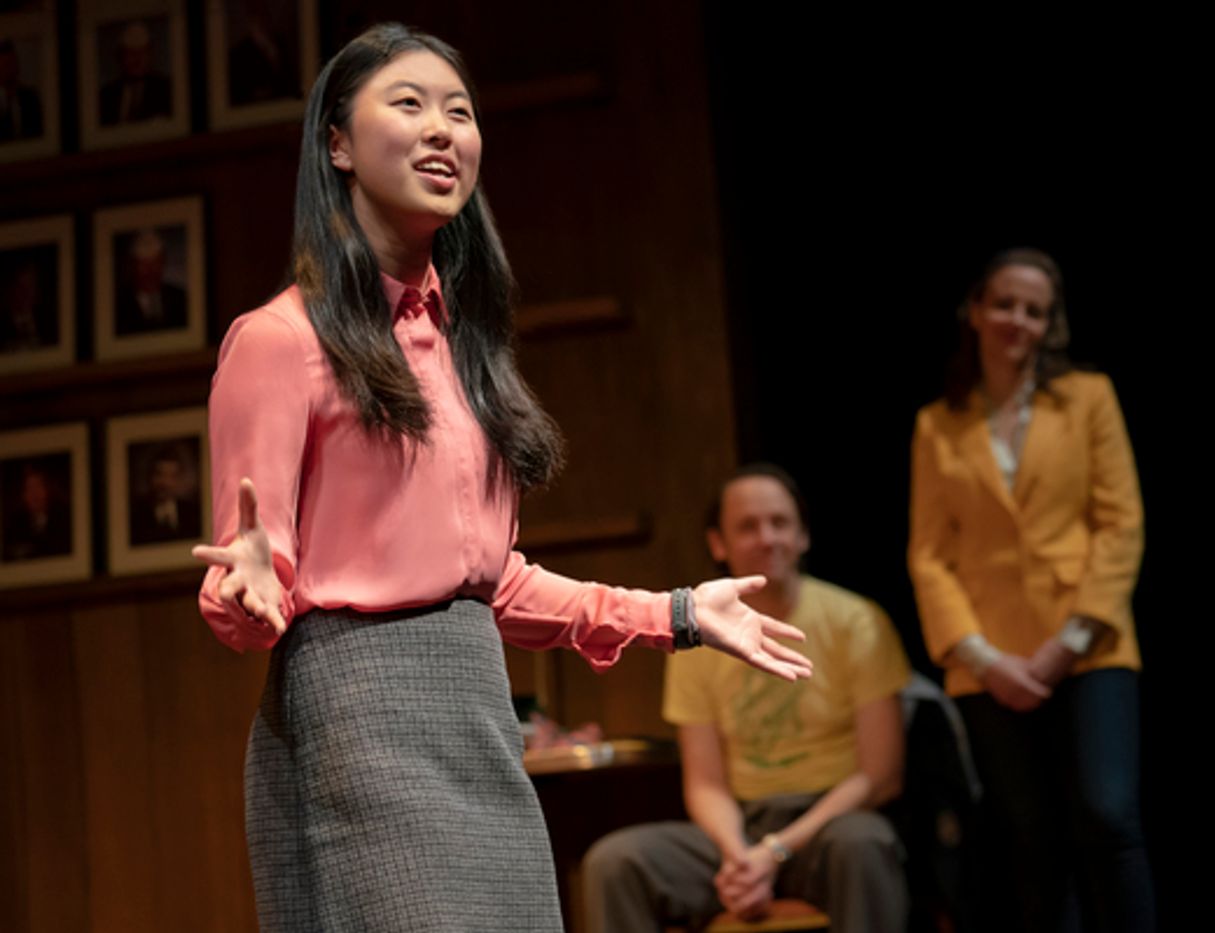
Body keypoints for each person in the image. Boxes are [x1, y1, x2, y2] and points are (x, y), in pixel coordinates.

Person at [192, 24, 811, 933]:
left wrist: (676, 613)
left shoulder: (459, 347)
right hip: (358, 724)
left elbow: (493, 581)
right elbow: (253, 585)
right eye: (409, 104)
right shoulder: (280, 341)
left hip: (479, 719)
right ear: (337, 144)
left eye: (460, 111)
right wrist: (245, 593)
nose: (442, 129)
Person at [907, 248, 1153, 932]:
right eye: (1006, 304)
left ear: (1051, 324)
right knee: (1031, 836)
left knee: (1107, 814)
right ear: (976, 311)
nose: (1018, 319)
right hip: (989, 659)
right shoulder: (939, 423)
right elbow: (929, 555)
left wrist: (1068, 641)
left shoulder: (1088, 397)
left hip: (1089, 644)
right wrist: (984, 658)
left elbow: (1121, 523)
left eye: (1035, 310)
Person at [584, 464, 911, 933]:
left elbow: (880, 776)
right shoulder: (696, 636)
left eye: (780, 523)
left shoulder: (857, 621)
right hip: (741, 826)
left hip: (830, 824)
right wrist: (741, 858)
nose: (767, 538)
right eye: (748, 527)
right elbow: (705, 784)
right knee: (616, 862)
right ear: (718, 544)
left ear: (803, 536)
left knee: (864, 845)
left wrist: (775, 852)